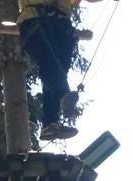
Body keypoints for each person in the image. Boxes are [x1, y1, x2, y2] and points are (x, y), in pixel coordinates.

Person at [18, 0, 103, 141]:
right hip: (34, 18)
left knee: (56, 71)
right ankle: (62, 95)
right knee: (51, 61)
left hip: (62, 25)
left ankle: (50, 124)